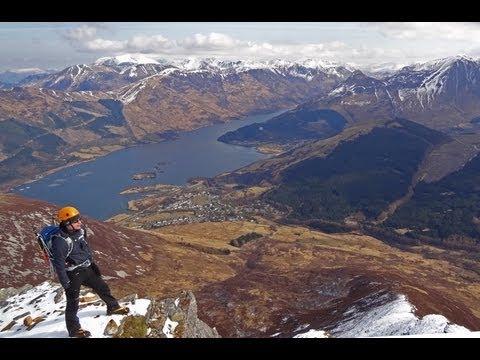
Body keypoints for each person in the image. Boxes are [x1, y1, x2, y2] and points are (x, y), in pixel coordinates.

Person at [51, 206, 129, 338]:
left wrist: (93, 265)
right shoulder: (60, 242)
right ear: (67, 223)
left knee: (102, 287)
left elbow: (85, 250)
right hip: (73, 274)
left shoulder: (80, 232)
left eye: (79, 219)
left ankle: (113, 307)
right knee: (73, 302)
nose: (80, 222)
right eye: (76, 221)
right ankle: (74, 330)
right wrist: (66, 284)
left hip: (86, 268)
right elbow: (59, 265)